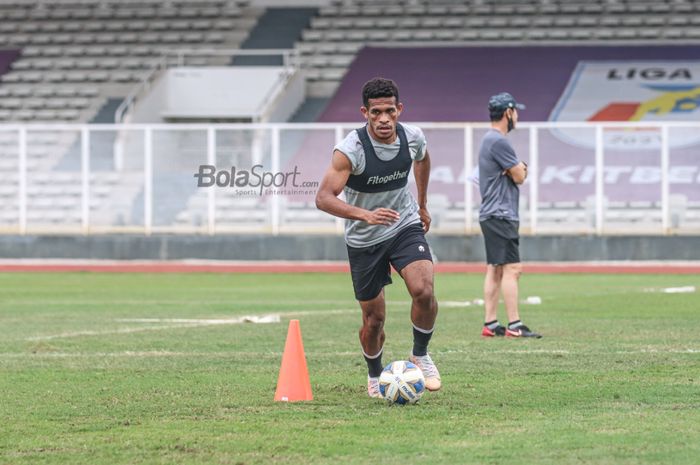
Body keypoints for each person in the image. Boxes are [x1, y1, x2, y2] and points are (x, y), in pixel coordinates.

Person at [315, 77, 441, 398]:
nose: (383, 119)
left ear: (399, 110)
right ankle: (375, 375)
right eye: (376, 113)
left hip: (403, 225)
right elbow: (324, 198)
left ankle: (421, 354)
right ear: (365, 113)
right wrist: (366, 215)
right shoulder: (350, 150)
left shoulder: (412, 137)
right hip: (364, 238)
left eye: (389, 111)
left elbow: (422, 159)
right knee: (374, 320)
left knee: (424, 290)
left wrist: (423, 205)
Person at [478, 92, 542, 339]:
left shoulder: (489, 140)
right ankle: (514, 324)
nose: (517, 116)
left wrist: (517, 168)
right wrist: (521, 167)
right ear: (508, 112)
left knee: (495, 268)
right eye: (516, 111)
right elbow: (519, 176)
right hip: (501, 213)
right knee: (512, 269)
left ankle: (491, 323)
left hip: (492, 213)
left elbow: (514, 171)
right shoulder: (498, 141)